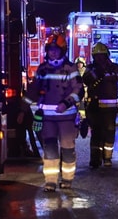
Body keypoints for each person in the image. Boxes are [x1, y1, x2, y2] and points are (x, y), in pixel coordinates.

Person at [20, 33, 84, 191]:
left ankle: (67, 180)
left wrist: (66, 102)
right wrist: (22, 109)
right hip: (47, 118)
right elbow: (33, 90)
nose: (53, 52)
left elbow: (79, 90)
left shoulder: (70, 68)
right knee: (49, 149)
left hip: (66, 117)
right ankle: (50, 181)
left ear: (62, 51)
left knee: (67, 149)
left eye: (56, 49)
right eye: (50, 49)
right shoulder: (42, 68)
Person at [82, 42, 118, 168]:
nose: (100, 59)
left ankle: (107, 158)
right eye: (97, 56)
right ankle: (95, 161)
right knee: (96, 134)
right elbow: (86, 80)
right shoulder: (91, 68)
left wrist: (113, 69)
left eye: (102, 56)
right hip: (94, 108)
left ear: (106, 56)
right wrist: (99, 71)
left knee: (109, 133)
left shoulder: (113, 67)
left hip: (109, 110)